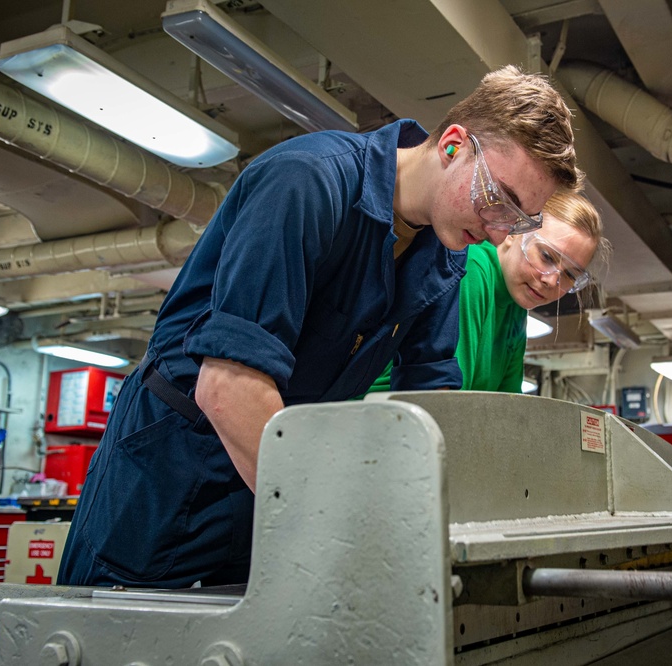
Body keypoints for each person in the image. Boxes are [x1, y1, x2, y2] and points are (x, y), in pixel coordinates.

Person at [58, 65, 582, 588]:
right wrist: (347, 539)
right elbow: (227, 387)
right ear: (451, 145)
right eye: (498, 199)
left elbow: (432, 403)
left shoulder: (444, 262)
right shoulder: (308, 181)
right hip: (167, 476)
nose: (496, 232)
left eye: (516, 221)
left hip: (275, 485)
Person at [369, 189, 605, 393]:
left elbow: (507, 404)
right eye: (546, 256)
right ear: (514, 231)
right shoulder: (472, 269)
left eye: (571, 275)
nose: (552, 280)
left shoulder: (517, 301)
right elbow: (449, 397)